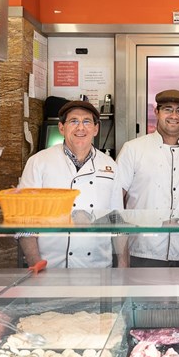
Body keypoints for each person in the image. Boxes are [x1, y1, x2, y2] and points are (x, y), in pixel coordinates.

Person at [18, 100, 127, 268]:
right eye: (74, 121)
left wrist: (123, 263)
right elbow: (24, 220)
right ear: (62, 128)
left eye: (87, 122)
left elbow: (116, 219)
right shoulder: (39, 162)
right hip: (50, 268)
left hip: (97, 267)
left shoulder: (110, 166)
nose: (80, 128)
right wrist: (36, 263)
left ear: (96, 129)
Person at [116, 89, 179, 266]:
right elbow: (116, 202)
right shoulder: (133, 149)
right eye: (168, 109)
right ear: (156, 112)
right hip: (142, 251)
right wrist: (122, 256)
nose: (174, 115)